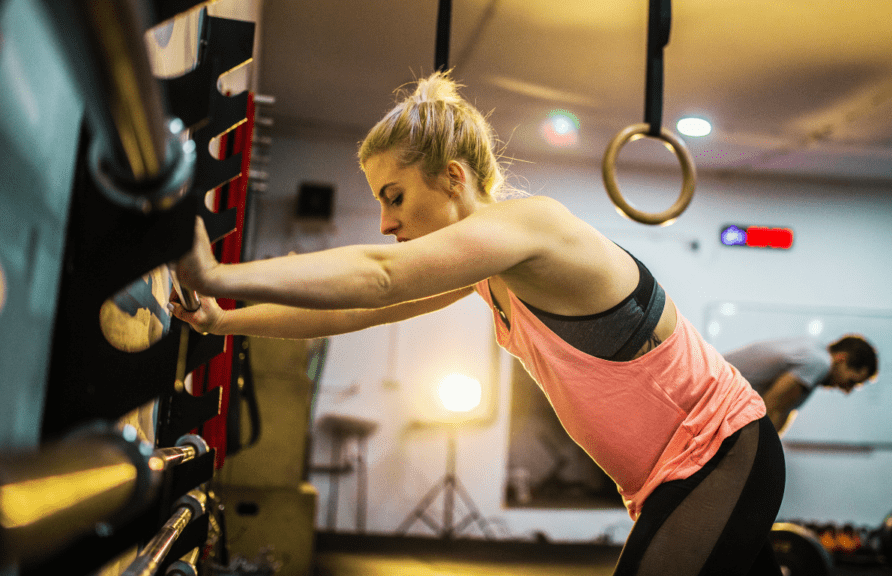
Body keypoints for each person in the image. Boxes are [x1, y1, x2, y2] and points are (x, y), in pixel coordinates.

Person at [172, 71, 786, 576]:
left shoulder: (535, 225)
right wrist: (224, 317)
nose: (386, 222)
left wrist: (219, 274)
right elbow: (353, 308)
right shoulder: (486, 273)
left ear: (455, 178)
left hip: (720, 454)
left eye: (394, 196)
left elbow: (381, 273)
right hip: (667, 477)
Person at [723, 335, 878, 435]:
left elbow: (781, 415)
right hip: (708, 397)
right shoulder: (818, 362)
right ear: (841, 358)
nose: (847, 390)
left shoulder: (814, 353)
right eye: (851, 382)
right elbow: (770, 410)